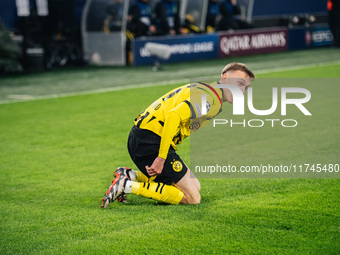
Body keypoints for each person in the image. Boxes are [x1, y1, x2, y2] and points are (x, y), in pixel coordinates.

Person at [100, 63, 255, 208]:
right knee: (193, 198)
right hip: (150, 141)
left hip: (144, 135)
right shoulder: (209, 99)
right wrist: (161, 158)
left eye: (245, 88)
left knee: (196, 186)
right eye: (239, 83)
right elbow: (174, 116)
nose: (242, 91)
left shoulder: (208, 90)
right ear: (224, 78)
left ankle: (130, 175)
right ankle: (125, 186)